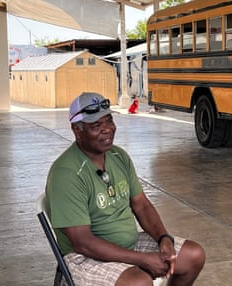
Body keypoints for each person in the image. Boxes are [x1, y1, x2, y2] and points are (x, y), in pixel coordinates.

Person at [45, 92, 205, 286]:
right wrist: (141, 259)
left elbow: (142, 205)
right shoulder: (66, 173)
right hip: (85, 257)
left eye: (109, 120)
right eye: (96, 125)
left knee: (193, 256)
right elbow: (82, 242)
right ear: (77, 131)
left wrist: (164, 238)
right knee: (139, 282)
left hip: (128, 244)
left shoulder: (118, 156)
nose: (107, 129)